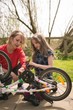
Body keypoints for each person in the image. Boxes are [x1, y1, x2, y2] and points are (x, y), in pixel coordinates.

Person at [23, 33, 54, 106]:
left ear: (42, 41)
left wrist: (35, 64)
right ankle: (32, 97)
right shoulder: (35, 53)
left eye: (37, 43)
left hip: (46, 80)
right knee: (26, 93)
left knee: (39, 94)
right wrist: (30, 66)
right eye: (33, 44)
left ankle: (36, 97)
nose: (35, 45)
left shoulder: (49, 52)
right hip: (36, 79)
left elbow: (50, 67)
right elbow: (33, 66)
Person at [0, 30, 26, 100]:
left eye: (20, 42)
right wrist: (11, 73)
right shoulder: (1, 49)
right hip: (3, 72)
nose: (18, 43)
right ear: (11, 38)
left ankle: (20, 85)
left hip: (13, 69)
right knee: (4, 95)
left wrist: (22, 68)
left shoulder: (19, 50)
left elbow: (24, 61)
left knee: (23, 66)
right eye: (17, 40)